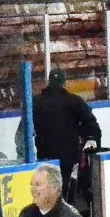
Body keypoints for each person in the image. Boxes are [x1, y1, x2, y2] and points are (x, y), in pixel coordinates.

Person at [31, 69, 102, 199]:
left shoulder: (35, 102)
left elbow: (24, 131)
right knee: (66, 193)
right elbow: (93, 126)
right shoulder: (74, 101)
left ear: (49, 82)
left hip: (45, 158)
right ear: (64, 83)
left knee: (49, 194)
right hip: (69, 158)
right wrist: (91, 141)